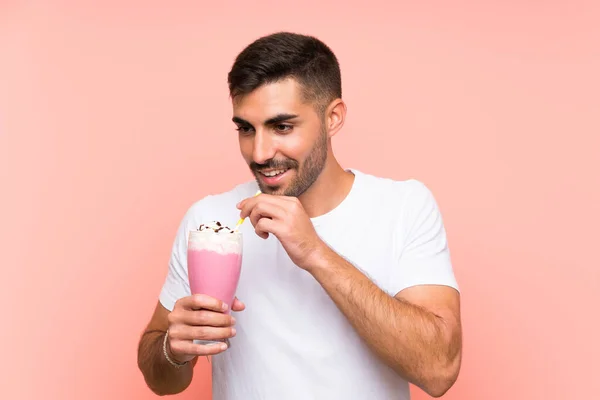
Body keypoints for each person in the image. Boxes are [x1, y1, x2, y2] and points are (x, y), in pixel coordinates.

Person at [137, 31, 462, 400]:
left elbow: (439, 371)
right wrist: (172, 349)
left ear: (333, 118)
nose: (259, 153)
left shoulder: (404, 207)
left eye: (282, 127)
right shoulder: (212, 219)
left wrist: (315, 253)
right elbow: (159, 379)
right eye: (245, 128)